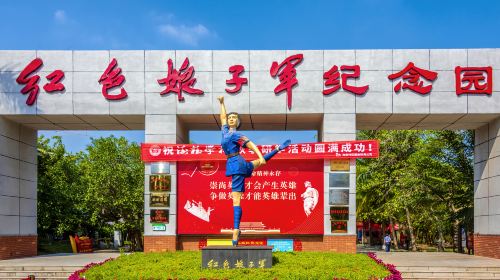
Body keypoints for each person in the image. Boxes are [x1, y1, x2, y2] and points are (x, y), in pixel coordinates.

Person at [217, 96, 290, 246]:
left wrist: (259, 155)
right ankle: (277, 149)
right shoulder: (225, 131)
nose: (231, 119)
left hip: (236, 164)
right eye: (230, 117)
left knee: (236, 199)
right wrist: (222, 103)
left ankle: (236, 230)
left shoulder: (237, 135)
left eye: (234, 118)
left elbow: (251, 145)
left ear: (237, 122)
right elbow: (222, 117)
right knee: (256, 164)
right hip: (237, 163)